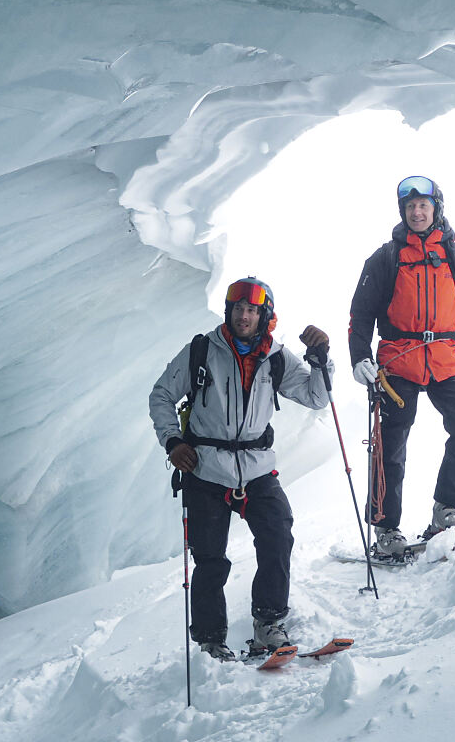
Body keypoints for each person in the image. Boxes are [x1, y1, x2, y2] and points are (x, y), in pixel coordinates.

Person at [149, 276, 333, 662]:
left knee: (277, 535)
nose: (244, 316)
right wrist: (173, 441)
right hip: (205, 469)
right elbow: (162, 394)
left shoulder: (277, 357)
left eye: (252, 310)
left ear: (265, 315)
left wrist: (321, 358)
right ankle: (210, 640)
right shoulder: (202, 349)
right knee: (210, 559)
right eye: (238, 309)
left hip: (256, 468)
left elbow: (317, 397)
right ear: (229, 311)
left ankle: (268, 624)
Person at [348, 176, 455, 557]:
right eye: (411, 207)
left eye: (423, 206)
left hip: (447, 357)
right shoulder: (385, 258)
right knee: (390, 444)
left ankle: (446, 508)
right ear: (404, 212)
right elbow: (360, 316)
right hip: (398, 360)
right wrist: (359, 359)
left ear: (436, 210)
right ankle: (386, 529)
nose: (417, 212)